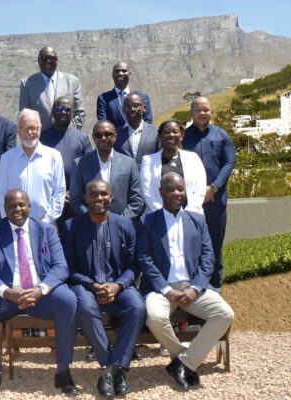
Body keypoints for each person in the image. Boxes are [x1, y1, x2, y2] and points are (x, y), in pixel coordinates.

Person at [0, 189, 79, 396]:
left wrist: (41, 290)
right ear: (5, 209)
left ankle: (63, 370)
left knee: (68, 299)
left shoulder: (47, 230)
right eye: (11, 205)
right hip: (7, 298)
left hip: (41, 296)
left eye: (21, 204)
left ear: (29, 206)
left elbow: (61, 267)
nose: (17, 209)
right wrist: (7, 292)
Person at [136, 172, 234, 391]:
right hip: (160, 289)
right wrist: (166, 289)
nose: (176, 193)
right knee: (154, 318)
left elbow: (209, 257)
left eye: (180, 189)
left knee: (225, 314)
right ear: (161, 192)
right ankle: (184, 360)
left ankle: (183, 364)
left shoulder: (198, 220)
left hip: (193, 288)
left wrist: (196, 288)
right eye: (170, 189)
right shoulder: (147, 221)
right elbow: (144, 258)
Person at [62, 179, 145, 398]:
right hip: (86, 286)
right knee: (86, 306)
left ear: (111, 197)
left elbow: (133, 266)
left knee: (137, 307)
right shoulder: (72, 226)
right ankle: (115, 368)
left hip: (118, 286)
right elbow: (68, 268)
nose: (99, 199)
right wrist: (93, 285)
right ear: (86, 198)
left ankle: (110, 371)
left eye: (103, 194)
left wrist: (117, 286)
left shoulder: (125, 225)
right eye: (94, 195)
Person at [182, 96, 236, 291]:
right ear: (192, 113)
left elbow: (230, 163)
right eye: (198, 110)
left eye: (206, 110)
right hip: (188, 202)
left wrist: (213, 187)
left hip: (215, 201)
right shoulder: (183, 137)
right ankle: (192, 287)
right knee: (190, 245)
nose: (202, 113)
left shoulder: (222, 136)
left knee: (214, 245)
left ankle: (215, 287)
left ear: (211, 112)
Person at [0, 109, 66, 225]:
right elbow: (0, 194)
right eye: (25, 128)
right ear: (18, 130)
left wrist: (47, 221)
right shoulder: (6, 159)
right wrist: (9, 219)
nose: (30, 132)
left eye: (33, 128)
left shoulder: (54, 157)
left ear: (40, 129)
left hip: (45, 225)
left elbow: (59, 192)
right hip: (14, 226)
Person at [70, 120, 143, 219]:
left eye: (108, 134)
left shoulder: (129, 163)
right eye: (98, 135)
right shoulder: (80, 164)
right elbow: (76, 201)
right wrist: (94, 219)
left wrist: (120, 222)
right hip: (91, 226)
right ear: (93, 137)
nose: (103, 138)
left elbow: (137, 199)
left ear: (115, 137)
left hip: (121, 226)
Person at [40, 96, 92, 228]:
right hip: (47, 200)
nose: (63, 112)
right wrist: (56, 195)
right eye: (59, 109)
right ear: (52, 112)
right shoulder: (42, 137)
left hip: (74, 201)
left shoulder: (82, 139)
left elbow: (88, 171)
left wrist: (72, 192)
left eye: (67, 109)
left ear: (73, 113)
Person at [140, 119, 207, 215]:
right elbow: (147, 192)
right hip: (157, 216)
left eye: (175, 132)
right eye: (167, 132)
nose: (171, 135)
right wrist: (164, 214)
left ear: (182, 135)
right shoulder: (148, 161)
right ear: (160, 136)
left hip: (191, 214)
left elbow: (200, 189)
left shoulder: (193, 158)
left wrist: (187, 214)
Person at [19, 46, 86, 131]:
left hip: (67, 138)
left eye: (52, 58)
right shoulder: (27, 83)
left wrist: (69, 132)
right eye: (44, 58)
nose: (48, 61)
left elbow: (80, 113)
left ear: (57, 60)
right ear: (38, 60)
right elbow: (25, 116)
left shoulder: (72, 81)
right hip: (40, 139)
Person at [96, 62, 153, 128]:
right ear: (112, 74)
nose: (120, 73)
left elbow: (148, 121)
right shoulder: (103, 98)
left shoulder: (142, 97)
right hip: (116, 137)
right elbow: (103, 124)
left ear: (129, 74)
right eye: (117, 71)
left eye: (124, 71)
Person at [114, 92, 161, 168]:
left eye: (136, 105)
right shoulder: (116, 134)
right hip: (124, 179)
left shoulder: (156, 132)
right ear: (123, 110)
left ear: (144, 108)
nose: (132, 109)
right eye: (128, 106)